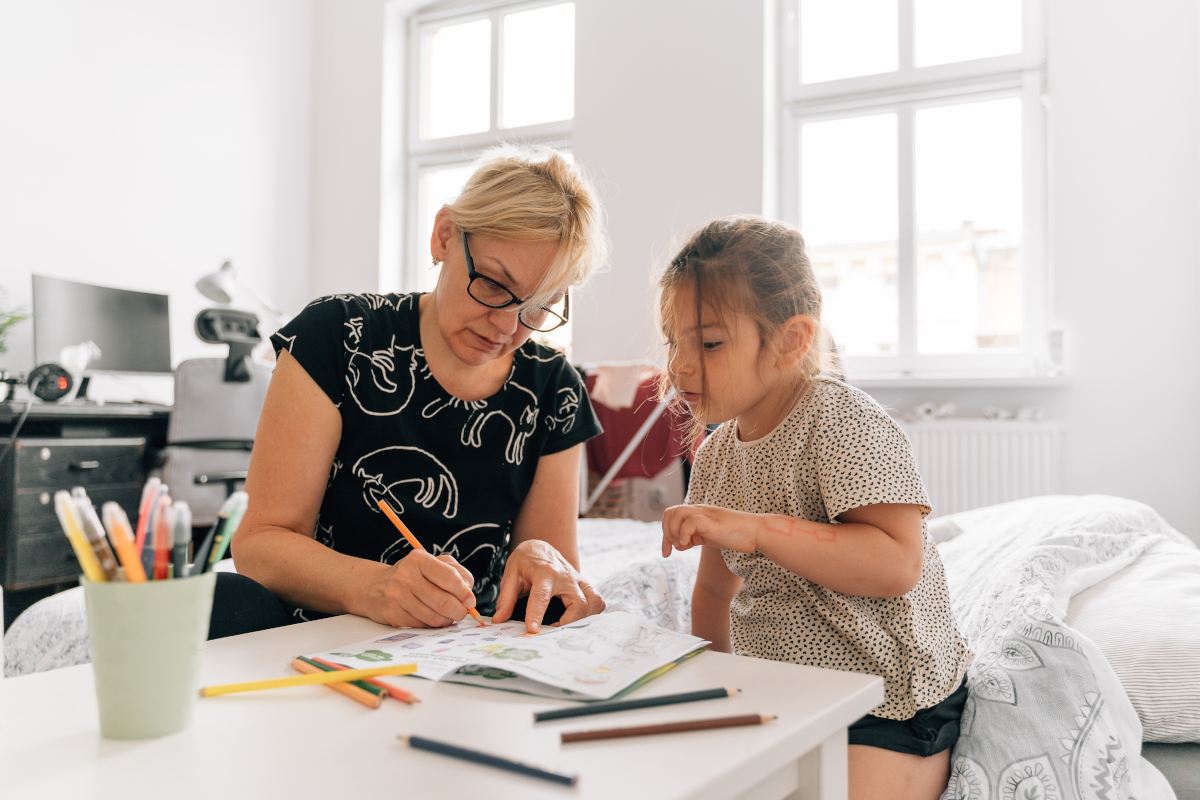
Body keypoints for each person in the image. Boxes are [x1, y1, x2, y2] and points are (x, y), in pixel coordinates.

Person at [218, 146, 608, 638]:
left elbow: (551, 578)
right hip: (320, 634)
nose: (506, 326)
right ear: (445, 236)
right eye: (492, 284)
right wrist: (376, 587)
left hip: (464, 648)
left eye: (538, 307)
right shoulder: (337, 337)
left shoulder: (554, 389)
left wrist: (543, 563)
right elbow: (259, 542)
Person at [657, 217, 973, 800]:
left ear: (792, 340)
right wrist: (716, 691)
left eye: (707, 342)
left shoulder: (841, 421)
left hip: (888, 701)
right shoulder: (716, 457)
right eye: (673, 342)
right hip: (785, 691)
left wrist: (758, 531)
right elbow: (713, 593)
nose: (678, 365)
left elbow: (897, 563)